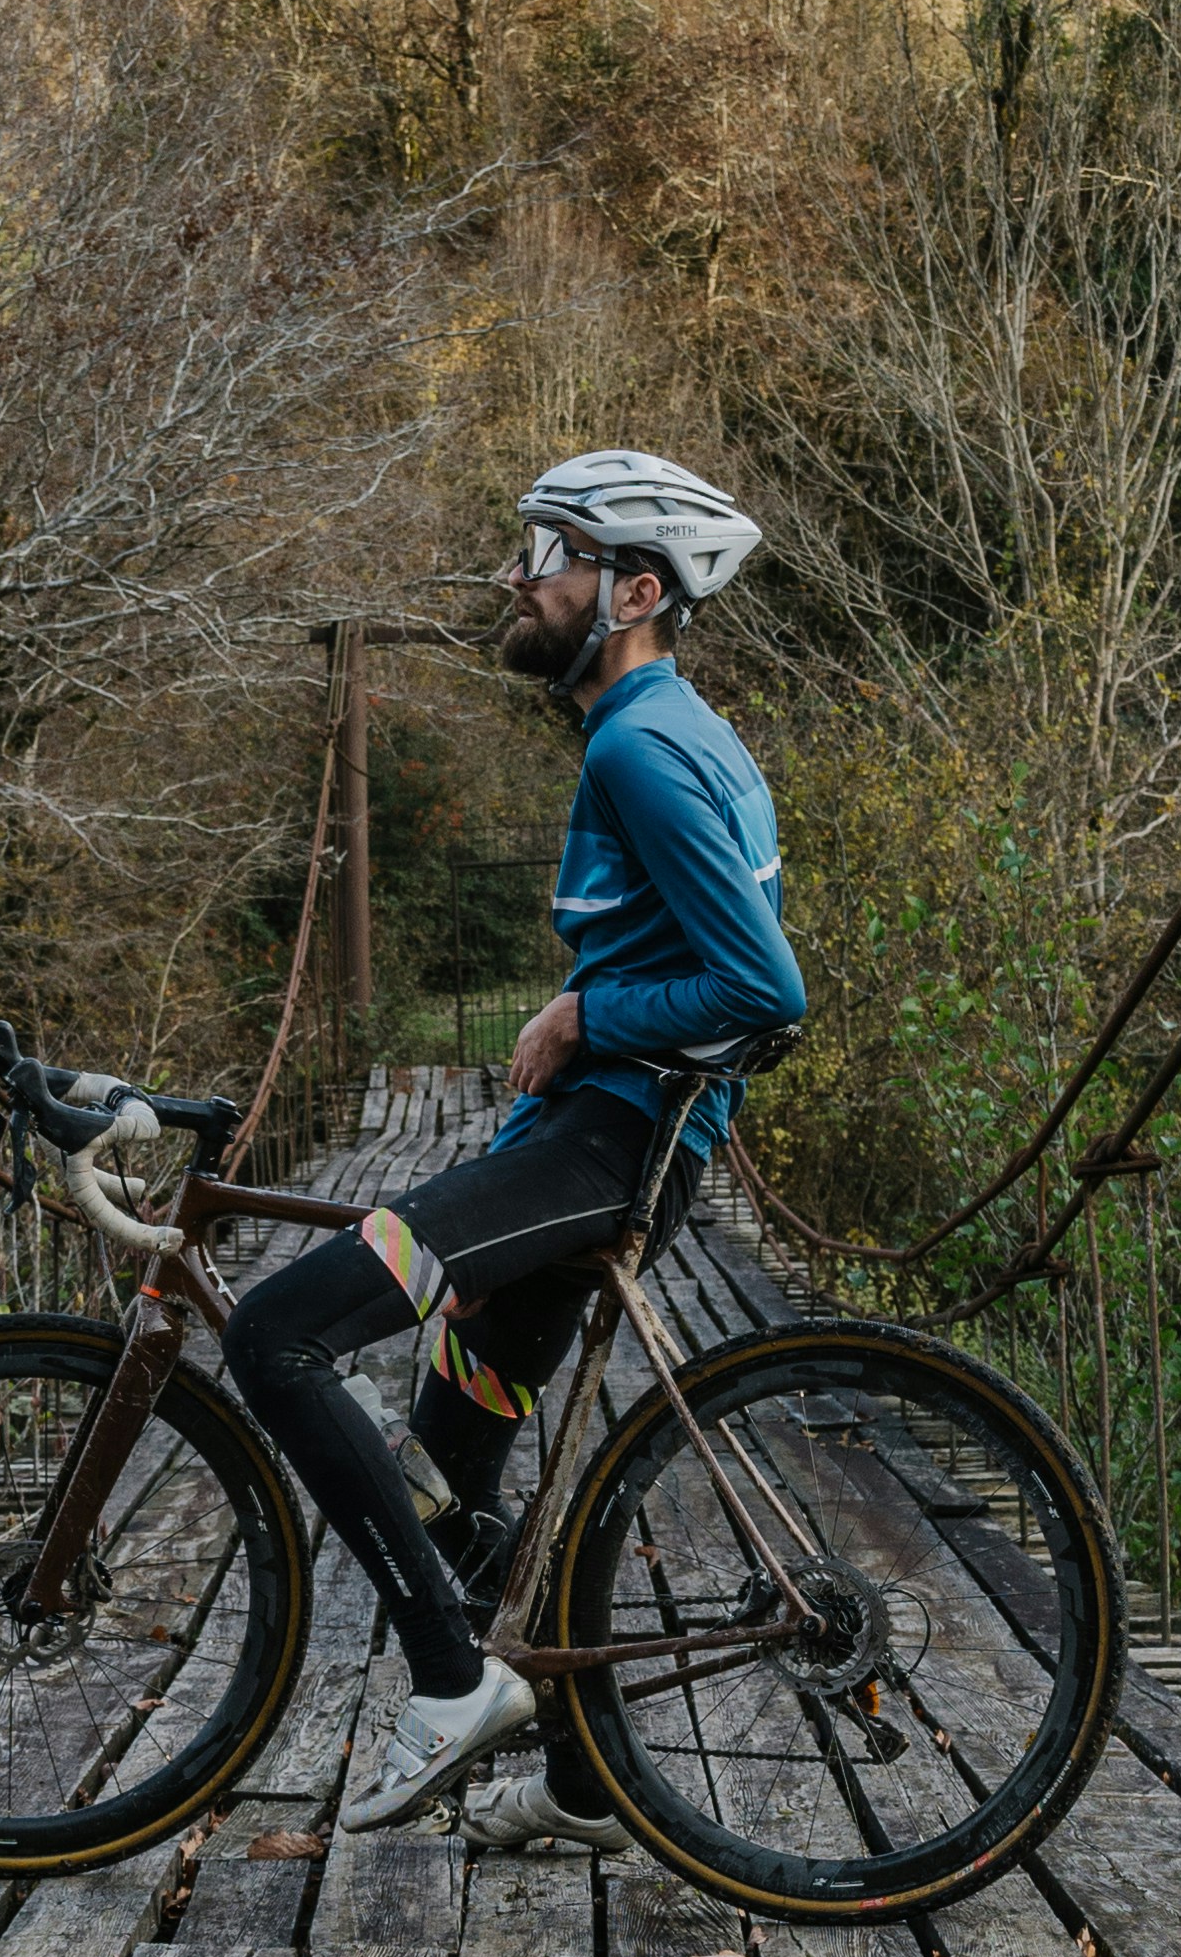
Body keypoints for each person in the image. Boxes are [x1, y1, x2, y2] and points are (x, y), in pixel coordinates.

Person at [222, 451, 805, 1841]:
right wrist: (584, 1008)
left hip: (600, 1153)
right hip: (592, 1144)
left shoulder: (637, 745)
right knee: (443, 1460)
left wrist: (588, 1009)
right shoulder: (673, 729)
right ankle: (582, 1777)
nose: (515, 577)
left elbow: (764, 991)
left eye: (544, 554)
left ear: (633, 591)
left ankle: (447, 1680)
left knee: (272, 1336)